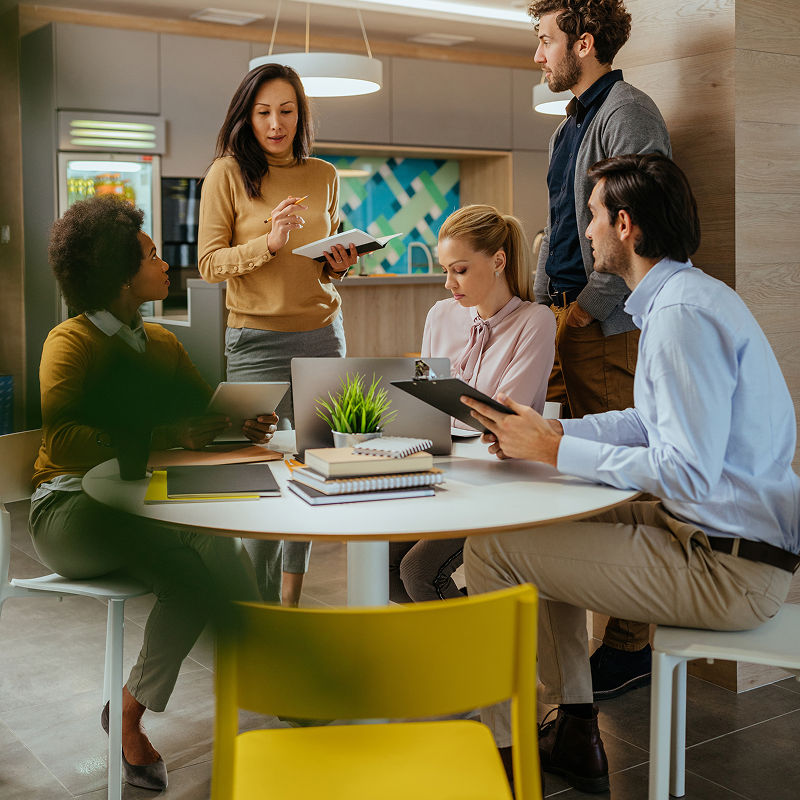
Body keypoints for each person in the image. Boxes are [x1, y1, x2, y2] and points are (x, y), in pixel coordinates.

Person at [461, 154, 800, 793]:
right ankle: (575, 728)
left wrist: (557, 451)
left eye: (591, 216)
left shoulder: (679, 318)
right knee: (545, 513)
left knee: (493, 546)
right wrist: (553, 435)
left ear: (625, 225)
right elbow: (650, 425)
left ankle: (504, 751)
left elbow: (688, 474)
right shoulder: (683, 299)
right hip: (716, 538)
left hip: (728, 568)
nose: (584, 231)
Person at [30, 196, 273, 791]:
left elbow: (198, 419)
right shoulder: (71, 342)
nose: (166, 263)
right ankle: (266, 666)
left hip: (140, 502)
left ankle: (130, 713)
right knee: (202, 543)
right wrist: (165, 432)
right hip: (68, 511)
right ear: (117, 275)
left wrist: (234, 423)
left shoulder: (160, 342)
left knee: (203, 559)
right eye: (150, 255)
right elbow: (64, 439)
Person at [529, 0, 672, 698]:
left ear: (583, 43)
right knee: (565, 468)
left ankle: (630, 642)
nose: (539, 55)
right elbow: (562, 227)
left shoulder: (629, 111)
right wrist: (542, 312)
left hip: (600, 326)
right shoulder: (573, 124)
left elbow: (633, 221)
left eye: (546, 40)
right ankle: (588, 624)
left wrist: (585, 312)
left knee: (625, 478)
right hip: (562, 320)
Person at [198, 63, 358, 606]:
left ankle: (289, 601)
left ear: (300, 114)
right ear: (247, 115)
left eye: (286, 111)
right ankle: (254, 605)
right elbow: (208, 264)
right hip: (254, 341)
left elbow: (324, 262)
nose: (275, 123)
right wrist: (269, 242)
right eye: (264, 112)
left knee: (316, 468)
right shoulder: (227, 174)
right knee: (259, 474)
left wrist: (339, 262)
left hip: (321, 335)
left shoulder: (324, 174)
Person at [389, 205, 555, 603]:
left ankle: (480, 655)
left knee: (417, 571)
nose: (448, 283)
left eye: (459, 269)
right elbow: (425, 403)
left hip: (497, 479)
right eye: (445, 269)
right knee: (380, 562)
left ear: (498, 261)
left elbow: (503, 420)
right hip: (441, 470)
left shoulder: (536, 321)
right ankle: (464, 650)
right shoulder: (440, 315)